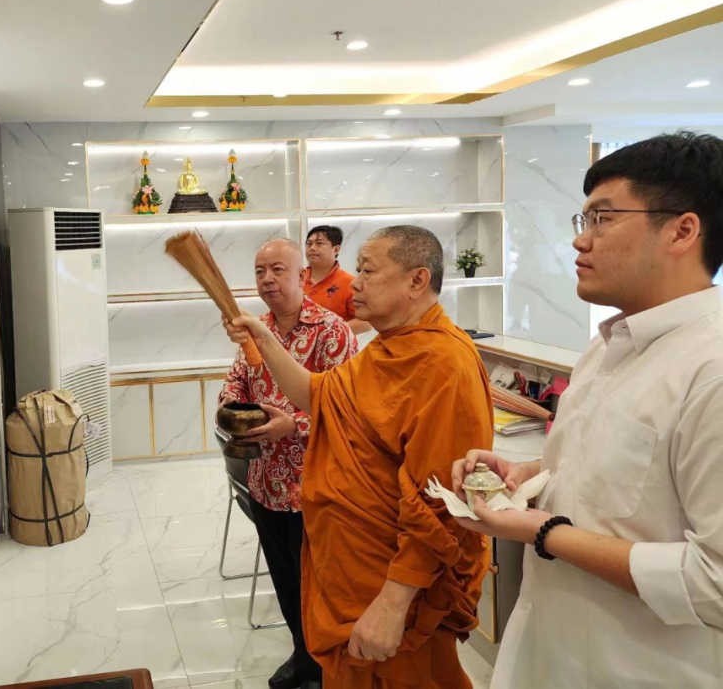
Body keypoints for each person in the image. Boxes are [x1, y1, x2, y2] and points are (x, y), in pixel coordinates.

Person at [452, 131, 723, 687]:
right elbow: (610, 476)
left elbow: (714, 582)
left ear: (682, 231)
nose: (580, 240)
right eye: (584, 220)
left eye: (602, 219)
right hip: (550, 649)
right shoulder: (606, 346)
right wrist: (524, 476)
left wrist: (544, 531)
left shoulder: (711, 368)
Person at [227, 226, 493, 688]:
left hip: (392, 585)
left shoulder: (443, 363)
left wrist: (393, 604)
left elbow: (441, 504)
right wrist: (263, 338)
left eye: (368, 272)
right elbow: (320, 393)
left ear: (417, 280)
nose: (355, 285)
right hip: (349, 570)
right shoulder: (388, 348)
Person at [218, 238, 357, 689]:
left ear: (302, 276)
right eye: (260, 271)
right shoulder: (255, 330)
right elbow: (237, 379)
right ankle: (303, 658)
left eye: (278, 270)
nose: (267, 280)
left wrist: (293, 425)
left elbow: (348, 410)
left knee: (317, 590)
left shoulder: (333, 332)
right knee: (285, 582)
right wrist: (230, 405)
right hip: (266, 483)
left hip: (316, 489)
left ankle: (322, 670)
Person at [304, 225, 371, 334]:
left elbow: (365, 322)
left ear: (336, 249)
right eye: (309, 244)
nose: (312, 248)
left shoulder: (350, 283)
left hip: (332, 343)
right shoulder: (296, 278)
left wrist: (327, 334)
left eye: (319, 243)